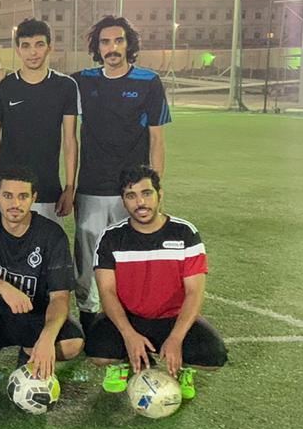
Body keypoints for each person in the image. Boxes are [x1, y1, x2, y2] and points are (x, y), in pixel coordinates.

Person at [86, 165, 226, 399]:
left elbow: (194, 292)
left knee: (212, 357)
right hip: (129, 316)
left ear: (160, 195)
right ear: (123, 201)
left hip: (172, 319)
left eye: (146, 193)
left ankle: (182, 369)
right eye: (131, 196)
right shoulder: (111, 237)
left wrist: (176, 338)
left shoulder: (185, 233)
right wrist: (129, 335)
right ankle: (121, 364)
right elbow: (107, 292)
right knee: (98, 352)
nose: (140, 202)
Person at [0, 166, 85, 397]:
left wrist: (47, 338)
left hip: (31, 315)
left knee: (73, 344)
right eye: (8, 196)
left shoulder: (52, 235)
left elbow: (60, 298)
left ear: (34, 198)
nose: (15, 203)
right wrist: (3, 287)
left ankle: (29, 351)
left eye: (23, 196)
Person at [70, 17, 170, 330]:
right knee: (87, 257)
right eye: (105, 42)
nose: (112, 48)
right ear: (97, 47)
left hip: (132, 190)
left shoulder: (148, 82)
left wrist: (153, 190)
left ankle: (131, 322)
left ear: (129, 44)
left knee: (132, 257)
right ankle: (90, 321)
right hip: (91, 187)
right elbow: (42, 80)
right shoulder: (82, 81)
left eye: (118, 41)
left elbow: (157, 140)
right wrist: (2, 73)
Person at [0, 18, 79, 226]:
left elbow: (70, 141)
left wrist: (70, 187)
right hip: (8, 191)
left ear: (50, 47)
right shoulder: (2, 87)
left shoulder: (65, 86)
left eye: (39, 44)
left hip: (47, 191)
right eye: (26, 46)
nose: (33, 52)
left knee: (48, 246)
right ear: (17, 50)